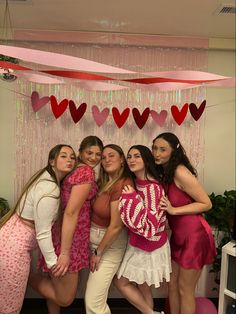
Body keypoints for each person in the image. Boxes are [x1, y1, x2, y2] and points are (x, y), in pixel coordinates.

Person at [29, 135, 103, 314]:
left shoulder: (72, 169)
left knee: (55, 286)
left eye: (98, 154)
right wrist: (65, 252)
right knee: (65, 297)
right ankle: (26, 277)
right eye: (89, 152)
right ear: (80, 152)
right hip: (72, 237)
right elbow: (71, 212)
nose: (93, 158)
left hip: (59, 232)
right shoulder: (85, 172)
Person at [0, 144, 76, 314]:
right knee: (9, 305)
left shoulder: (44, 178)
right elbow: (43, 233)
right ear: (52, 161)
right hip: (13, 248)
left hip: (9, 239)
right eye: (64, 156)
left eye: (72, 157)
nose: (70, 160)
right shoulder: (49, 188)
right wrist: (53, 264)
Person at [152, 132, 216, 314]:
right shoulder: (165, 172)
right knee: (171, 285)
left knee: (185, 289)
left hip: (194, 236)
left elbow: (206, 203)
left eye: (163, 149)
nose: (157, 153)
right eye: (155, 148)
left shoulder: (180, 171)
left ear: (174, 151)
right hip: (179, 236)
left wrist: (173, 210)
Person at [114, 145, 170, 314]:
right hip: (138, 241)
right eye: (129, 156)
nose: (132, 160)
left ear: (146, 159)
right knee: (143, 286)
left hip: (149, 244)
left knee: (121, 282)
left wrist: (131, 198)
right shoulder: (137, 183)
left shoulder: (152, 187)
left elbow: (150, 226)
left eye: (137, 156)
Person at [84, 144, 134, 314]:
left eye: (111, 156)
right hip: (95, 240)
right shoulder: (104, 182)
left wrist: (98, 252)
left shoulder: (122, 184)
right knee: (95, 296)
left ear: (122, 160)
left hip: (109, 244)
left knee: (93, 302)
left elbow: (116, 225)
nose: (106, 160)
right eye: (103, 157)